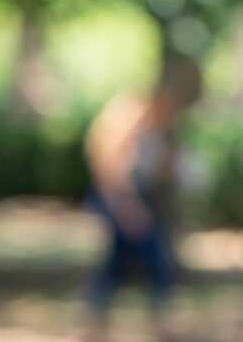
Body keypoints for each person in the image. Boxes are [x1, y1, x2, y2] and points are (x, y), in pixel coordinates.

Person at [83, 55, 201, 342]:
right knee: (136, 259)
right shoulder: (130, 113)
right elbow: (108, 165)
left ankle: (105, 323)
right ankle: (101, 325)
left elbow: (156, 171)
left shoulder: (158, 122)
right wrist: (126, 207)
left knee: (128, 261)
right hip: (119, 197)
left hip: (136, 197)